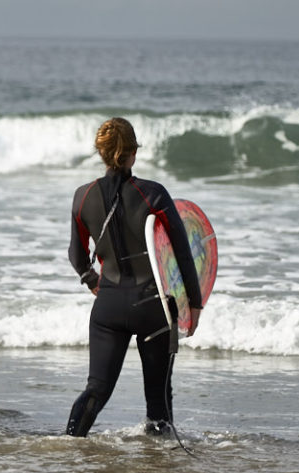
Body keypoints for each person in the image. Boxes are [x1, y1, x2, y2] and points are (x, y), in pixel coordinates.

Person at [66, 117, 202, 437]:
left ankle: (69, 447)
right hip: (152, 307)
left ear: (101, 153)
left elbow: (76, 255)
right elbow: (182, 253)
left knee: (96, 391)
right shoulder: (153, 194)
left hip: (107, 307)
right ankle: (159, 466)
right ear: (133, 153)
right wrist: (194, 305)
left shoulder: (82, 197)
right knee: (158, 401)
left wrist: (93, 281)